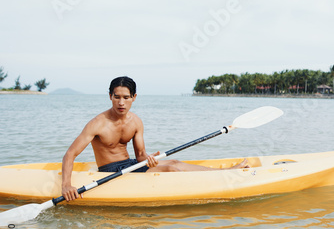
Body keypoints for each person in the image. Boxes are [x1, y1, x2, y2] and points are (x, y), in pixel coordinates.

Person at [61, 76, 248, 201]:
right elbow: (70, 154)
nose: (121, 102)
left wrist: (149, 160)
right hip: (110, 170)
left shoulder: (136, 122)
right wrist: (67, 185)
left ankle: (226, 172)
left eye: (126, 97)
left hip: (130, 164)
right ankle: (222, 179)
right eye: (116, 97)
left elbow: (140, 156)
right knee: (172, 169)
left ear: (134, 97)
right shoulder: (97, 124)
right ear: (110, 96)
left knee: (174, 161)